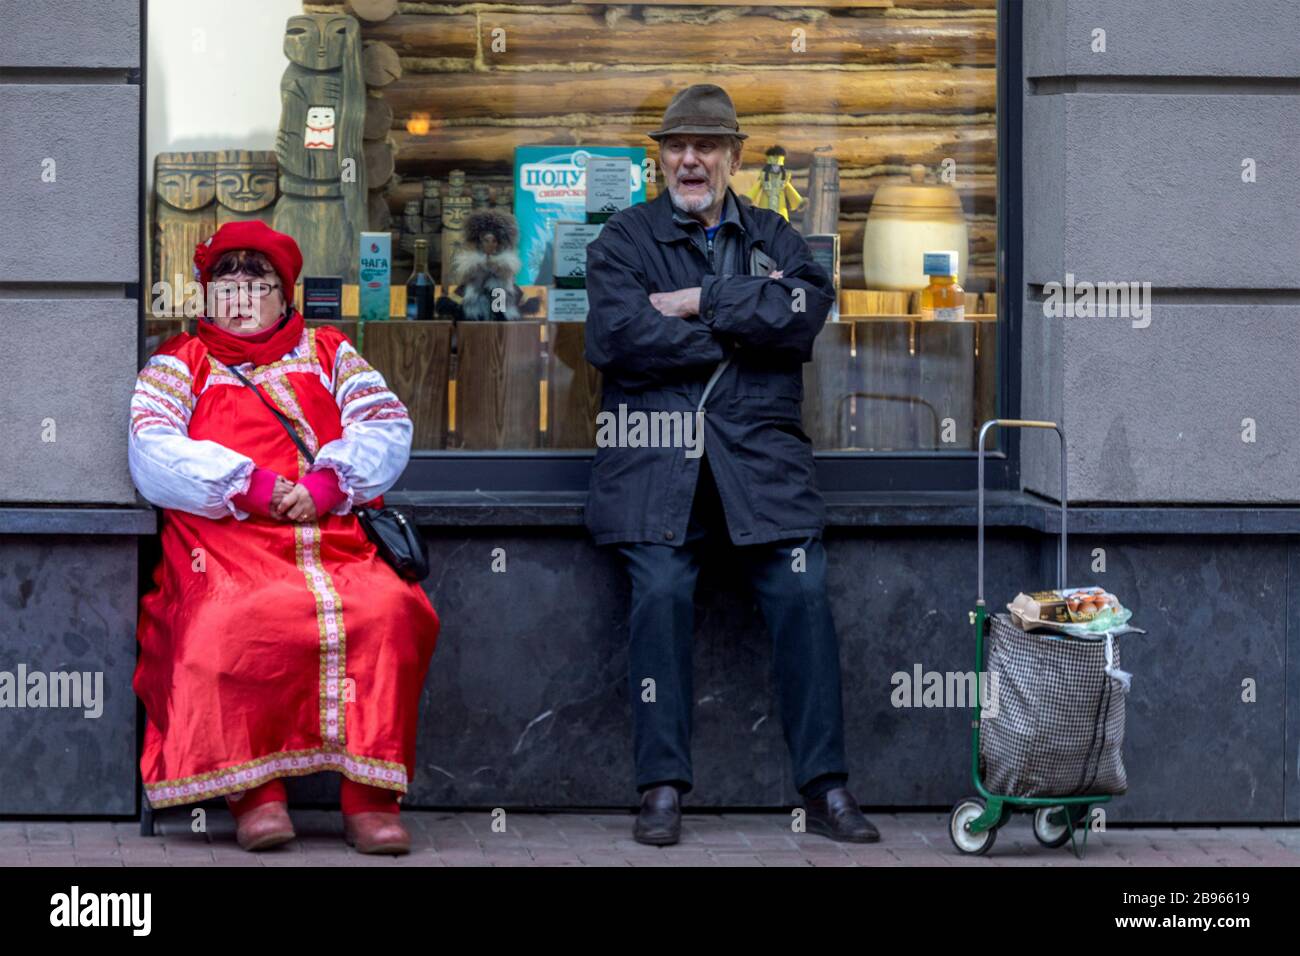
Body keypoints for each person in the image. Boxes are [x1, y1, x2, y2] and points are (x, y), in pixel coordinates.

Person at [584, 84, 879, 846]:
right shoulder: (621, 239)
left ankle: (826, 787)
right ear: (660, 159)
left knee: (804, 592)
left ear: (734, 159)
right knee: (660, 595)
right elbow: (616, 339)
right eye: (677, 147)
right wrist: (742, 322)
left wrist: (696, 300)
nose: (691, 160)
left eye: (707, 147)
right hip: (654, 469)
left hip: (762, 469)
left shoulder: (777, 235)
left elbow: (805, 312)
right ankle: (660, 787)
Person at [129, 220, 439, 854]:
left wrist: (328, 483)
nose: (241, 296)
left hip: (337, 541)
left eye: (259, 281)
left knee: (389, 612)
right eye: (226, 281)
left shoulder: (330, 352)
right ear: (206, 294)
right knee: (231, 622)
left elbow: (384, 422)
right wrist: (251, 488)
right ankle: (256, 794)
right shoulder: (179, 363)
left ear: (285, 293)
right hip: (226, 548)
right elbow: (150, 449)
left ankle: (370, 798)